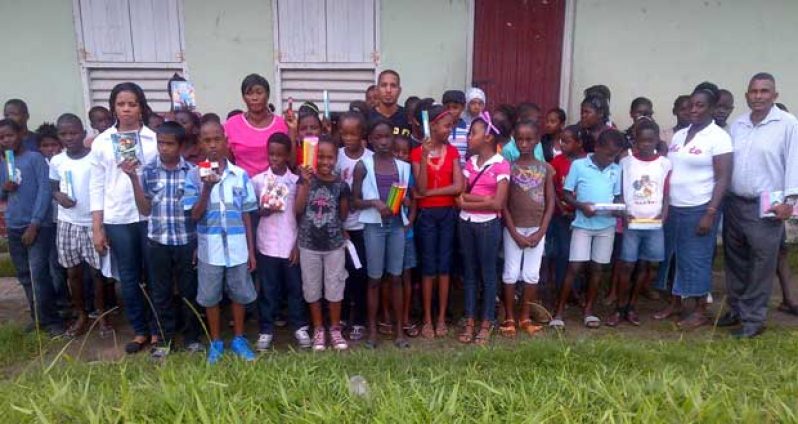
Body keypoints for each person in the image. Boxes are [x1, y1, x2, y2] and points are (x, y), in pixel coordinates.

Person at [721, 72, 798, 338]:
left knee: (761, 263)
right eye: (754, 91)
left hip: (767, 205)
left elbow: (795, 164)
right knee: (736, 261)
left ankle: (754, 319)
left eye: (765, 91)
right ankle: (736, 310)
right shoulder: (738, 124)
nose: (758, 96)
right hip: (735, 202)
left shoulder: (788, 124)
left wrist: (791, 203)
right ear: (746, 95)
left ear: (775, 95)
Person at [653, 82, 732, 329]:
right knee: (673, 257)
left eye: (700, 106)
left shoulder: (719, 138)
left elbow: (723, 178)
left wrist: (710, 212)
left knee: (696, 258)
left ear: (711, 109)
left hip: (699, 207)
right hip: (675, 207)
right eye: (691, 105)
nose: (694, 110)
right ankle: (675, 303)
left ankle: (700, 309)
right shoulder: (679, 135)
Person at [123, 121, 202, 358]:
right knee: (161, 292)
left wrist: (198, 244)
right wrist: (133, 181)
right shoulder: (147, 171)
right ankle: (165, 340)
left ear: (180, 146)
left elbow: (196, 211)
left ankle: (192, 338)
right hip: (158, 241)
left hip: (186, 240)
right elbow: (145, 209)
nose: (164, 148)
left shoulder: (192, 172)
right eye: (160, 143)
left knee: (189, 291)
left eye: (169, 144)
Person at [89, 82, 158, 354]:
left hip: (149, 217)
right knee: (128, 277)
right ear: (113, 108)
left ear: (141, 107)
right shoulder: (102, 142)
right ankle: (139, 330)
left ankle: (157, 330)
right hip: (117, 217)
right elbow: (96, 186)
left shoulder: (153, 140)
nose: (127, 109)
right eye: (121, 104)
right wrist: (97, 227)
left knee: (155, 275)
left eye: (132, 104)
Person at [183, 120, 258, 364]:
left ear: (226, 142)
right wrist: (207, 188)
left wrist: (251, 249)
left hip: (237, 248)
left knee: (238, 293)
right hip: (210, 249)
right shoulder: (194, 176)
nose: (213, 145)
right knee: (210, 296)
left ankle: (238, 338)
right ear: (200, 144)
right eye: (207, 140)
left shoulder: (240, 175)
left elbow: (247, 213)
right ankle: (215, 341)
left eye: (217, 139)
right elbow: (193, 215)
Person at [550, 129, 625, 329]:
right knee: (574, 267)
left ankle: (589, 310)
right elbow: (566, 194)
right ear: (597, 148)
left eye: (615, 155)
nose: (611, 158)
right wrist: (582, 206)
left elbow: (617, 196)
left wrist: (619, 208)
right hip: (583, 224)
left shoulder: (616, 170)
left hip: (606, 226)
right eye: (608, 154)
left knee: (597, 268)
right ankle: (559, 311)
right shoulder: (579, 165)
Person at [49, 114, 112, 338]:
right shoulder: (57, 161)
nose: (69, 138)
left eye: (74, 133)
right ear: (58, 136)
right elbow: (53, 186)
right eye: (64, 134)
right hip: (68, 223)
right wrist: (59, 197)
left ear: (84, 134)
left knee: (97, 274)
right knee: (73, 272)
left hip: (91, 222)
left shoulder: (94, 158)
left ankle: (102, 313)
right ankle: (81, 314)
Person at [0, 119, 63, 336]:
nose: (6, 140)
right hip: (14, 224)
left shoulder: (34, 158)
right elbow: (2, 195)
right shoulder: (3, 162)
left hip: (36, 225)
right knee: (24, 275)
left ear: (19, 134)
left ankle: (51, 320)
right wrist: (4, 188)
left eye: (9, 135)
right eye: (1, 138)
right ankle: (36, 317)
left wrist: (35, 224)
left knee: (39, 273)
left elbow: (45, 191)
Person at [352, 119, 412, 349]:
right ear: (370, 140)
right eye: (378, 138)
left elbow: (408, 197)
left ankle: (399, 332)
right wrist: (374, 203)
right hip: (374, 227)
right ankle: (373, 332)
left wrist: (405, 200)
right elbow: (354, 201)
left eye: (387, 137)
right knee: (375, 279)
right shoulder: (363, 166)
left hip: (396, 225)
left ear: (393, 138)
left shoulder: (403, 166)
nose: (383, 142)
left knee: (396, 277)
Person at [608, 119, 671, 326]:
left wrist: (664, 214)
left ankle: (632, 307)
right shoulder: (626, 163)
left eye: (650, 140)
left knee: (645, 265)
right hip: (632, 223)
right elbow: (620, 192)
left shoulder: (664, 164)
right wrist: (623, 212)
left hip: (653, 223)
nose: (646, 144)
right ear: (635, 141)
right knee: (626, 264)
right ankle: (620, 308)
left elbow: (667, 193)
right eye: (641, 141)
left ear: (656, 141)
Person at [251, 133, 310, 351]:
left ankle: (299, 327)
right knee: (268, 290)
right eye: (271, 154)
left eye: (279, 155)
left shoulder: (295, 182)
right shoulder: (257, 181)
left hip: (289, 244)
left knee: (295, 288)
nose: (274, 158)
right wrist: (263, 211)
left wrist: (297, 245)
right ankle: (266, 330)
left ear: (287, 156)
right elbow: (251, 214)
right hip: (266, 244)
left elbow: (301, 214)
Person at [456, 112, 509, 345]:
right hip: (466, 223)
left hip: (488, 225)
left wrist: (470, 200)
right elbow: (459, 198)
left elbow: (498, 203)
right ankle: (469, 320)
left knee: (488, 274)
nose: (468, 137)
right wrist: (480, 201)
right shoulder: (469, 163)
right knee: (469, 273)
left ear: (488, 137)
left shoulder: (501, 164)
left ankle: (487, 321)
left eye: (473, 133)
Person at [410, 105, 463, 338]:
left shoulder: (452, 153)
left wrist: (430, 194)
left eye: (451, 125)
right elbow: (419, 186)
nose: (449, 130)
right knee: (428, 267)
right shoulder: (416, 153)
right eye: (446, 125)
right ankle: (427, 319)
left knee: (444, 266)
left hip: (447, 214)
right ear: (432, 126)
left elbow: (458, 186)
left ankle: (442, 317)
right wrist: (423, 155)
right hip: (426, 217)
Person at [295, 137, 351, 351]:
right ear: (313, 157)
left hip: (334, 245)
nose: (325, 162)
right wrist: (306, 183)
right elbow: (298, 210)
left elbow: (343, 214)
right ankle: (319, 328)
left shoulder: (340, 185)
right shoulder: (305, 180)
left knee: (335, 287)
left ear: (336, 159)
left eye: (330, 157)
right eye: (321, 157)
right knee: (312, 288)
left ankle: (335, 328)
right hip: (309, 244)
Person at [500, 119, 554, 337]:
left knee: (531, 274)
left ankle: (525, 316)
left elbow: (551, 203)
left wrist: (541, 231)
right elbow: (503, 203)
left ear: (537, 140)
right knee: (511, 272)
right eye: (519, 139)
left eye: (528, 139)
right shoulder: (508, 168)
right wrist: (513, 231)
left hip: (536, 229)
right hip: (513, 229)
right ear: (514, 140)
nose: (524, 143)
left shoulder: (545, 169)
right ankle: (509, 317)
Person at [334, 112, 372, 341]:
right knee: (341, 274)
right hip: (339, 226)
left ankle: (359, 320)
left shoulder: (370, 158)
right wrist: (339, 225)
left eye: (353, 133)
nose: (348, 138)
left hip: (362, 226)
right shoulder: (336, 157)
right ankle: (342, 317)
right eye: (344, 133)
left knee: (360, 274)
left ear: (362, 134)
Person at [546, 125, 586, 301]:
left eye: (567, 141)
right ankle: (561, 288)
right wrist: (561, 209)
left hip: (582, 215)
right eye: (561, 141)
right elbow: (552, 188)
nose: (562, 144)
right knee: (562, 251)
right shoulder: (557, 161)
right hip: (561, 215)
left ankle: (575, 289)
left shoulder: (587, 162)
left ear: (579, 143)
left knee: (578, 253)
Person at [224, 73, 288, 177]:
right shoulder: (232, 124)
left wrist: (293, 130)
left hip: (275, 187)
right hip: (242, 186)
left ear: (267, 95)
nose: (254, 98)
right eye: (249, 94)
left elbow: (290, 161)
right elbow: (228, 162)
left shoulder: (281, 124)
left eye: (259, 93)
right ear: (243, 97)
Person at [393, 135, 420, 338]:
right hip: (388, 231)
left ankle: (405, 317)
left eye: (405, 152)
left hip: (406, 232)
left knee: (406, 277)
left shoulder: (409, 172)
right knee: (388, 278)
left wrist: (410, 220)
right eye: (397, 152)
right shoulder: (385, 171)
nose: (401, 156)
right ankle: (388, 317)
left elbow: (413, 199)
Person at [368, 70, 411, 137]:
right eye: (384, 85)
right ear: (377, 90)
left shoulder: (408, 118)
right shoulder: (367, 117)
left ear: (399, 91)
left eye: (393, 86)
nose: (388, 90)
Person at [443, 90, 468, 165]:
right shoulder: (440, 129)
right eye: (447, 108)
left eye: (455, 108)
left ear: (463, 107)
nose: (450, 111)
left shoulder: (468, 129)